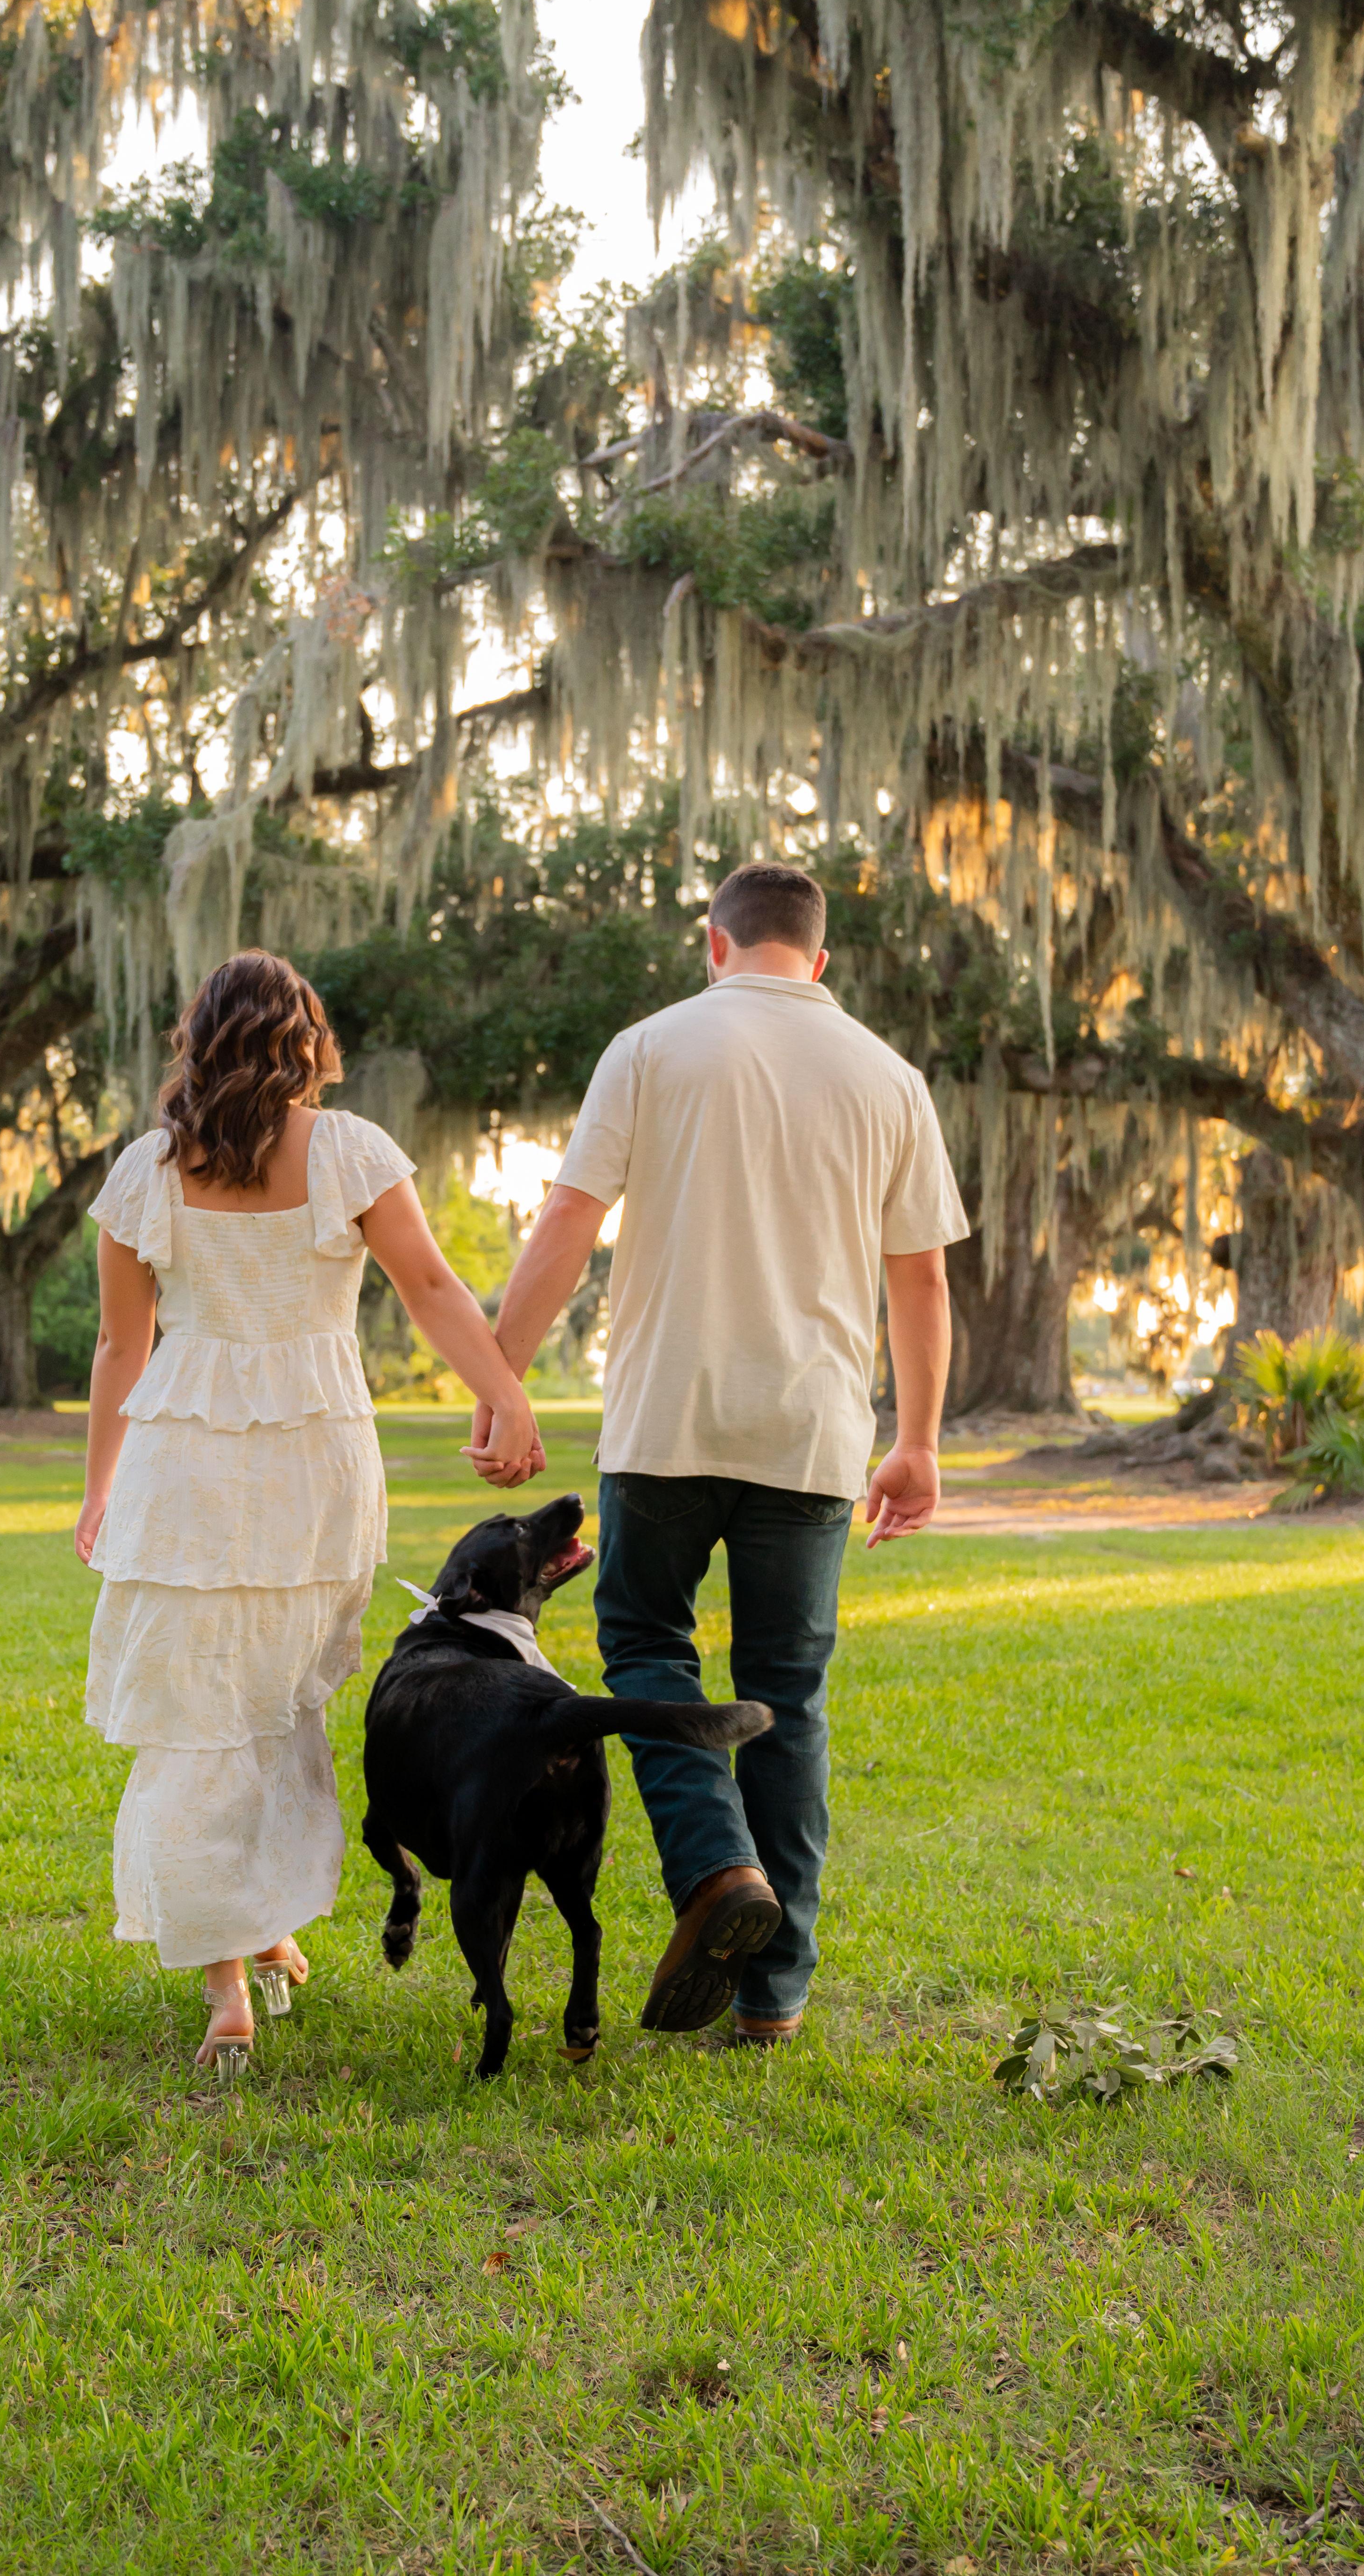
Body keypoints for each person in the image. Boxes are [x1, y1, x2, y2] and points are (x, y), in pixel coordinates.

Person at [483, 862, 967, 2044]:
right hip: (812, 1433)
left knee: (648, 1646)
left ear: (715, 943)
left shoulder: (650, 1048)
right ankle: (773, 1995)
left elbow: (571, 1219)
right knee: (786, 1698)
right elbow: (921, 1278)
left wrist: (502, 1376)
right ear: (821, 958)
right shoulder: (890, 1078)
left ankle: (715, 1869)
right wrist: (916, 1442)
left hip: (668, 1421)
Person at [75, 951, 542, 2080]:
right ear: (306, 1043)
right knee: (276, 1702)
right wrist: (505, 1392)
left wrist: (100, 1487)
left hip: (186, 1462)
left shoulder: (148, 1171)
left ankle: (234, 1975)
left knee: (208, 1712)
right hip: (314, 1458)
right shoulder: (349, 1152)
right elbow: (431, 1289)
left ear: (198, 1041)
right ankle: (252, 1937)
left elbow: (121, 1347)